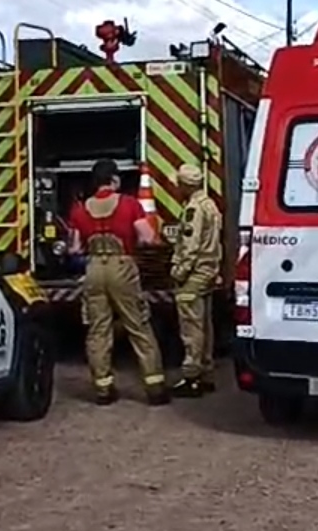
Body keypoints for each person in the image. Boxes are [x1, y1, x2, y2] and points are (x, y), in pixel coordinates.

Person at [68, 159, 169, 406]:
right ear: (114, 180)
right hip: (122, 267)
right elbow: (147, 238)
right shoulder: (129, 204)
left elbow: (74, 248)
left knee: (98, 330)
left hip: (93, 270)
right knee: (138, 326)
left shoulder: (79, 210)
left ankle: (103, 388)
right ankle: (155, 388)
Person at [169, 163, 222, 398]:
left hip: (194, 274)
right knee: (205, 326)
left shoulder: (193, 210)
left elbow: (190, 246)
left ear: (185, 185)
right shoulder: (210, 205)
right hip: (208, 271)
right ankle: (206, 373)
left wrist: (179, 272)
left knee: (191, 327)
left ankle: (192, 376)